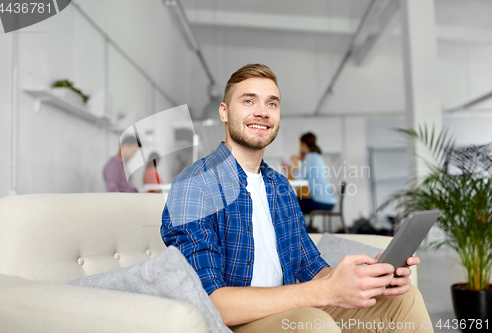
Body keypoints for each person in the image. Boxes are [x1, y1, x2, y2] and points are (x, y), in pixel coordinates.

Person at [161, 64, 433, 332]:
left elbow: (310, 267)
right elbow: (211, 303)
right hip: (237, 322)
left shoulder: (279, 186)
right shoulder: (195, 184)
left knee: (405, 301)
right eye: (248, 100)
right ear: (224, 111)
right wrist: (324, 292)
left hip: (292, 308)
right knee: (314, 324)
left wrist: (362, 277)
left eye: (272, 104)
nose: (261, 112)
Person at [290, 132, 337, 215]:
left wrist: (295, 163)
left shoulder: (310, 156)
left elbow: (298, 177)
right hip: (329, 201)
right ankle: (304, 227)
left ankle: (304, 228)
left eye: (300, 145)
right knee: (297, 202)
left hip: (322, 202)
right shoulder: (315, 156)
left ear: (303, 145)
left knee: (291, 203)